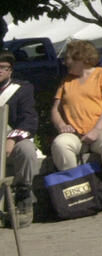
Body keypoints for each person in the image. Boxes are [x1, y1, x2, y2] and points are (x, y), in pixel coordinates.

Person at [50, 40, 102, 213]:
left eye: (67, 58)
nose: (64, 62)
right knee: (61, 145)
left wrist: (97, 130)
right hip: (76, 133)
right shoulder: (66, 81)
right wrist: (61, 125)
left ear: (81, 58)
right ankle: (79, 192)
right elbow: (55, 109)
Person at [1, 50, 38, 227]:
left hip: (12, 139)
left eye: (3, 68)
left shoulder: (22, 89)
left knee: (26, 150)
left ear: (10, 71)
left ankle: (24, 195)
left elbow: (29, 120)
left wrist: (12, 139)